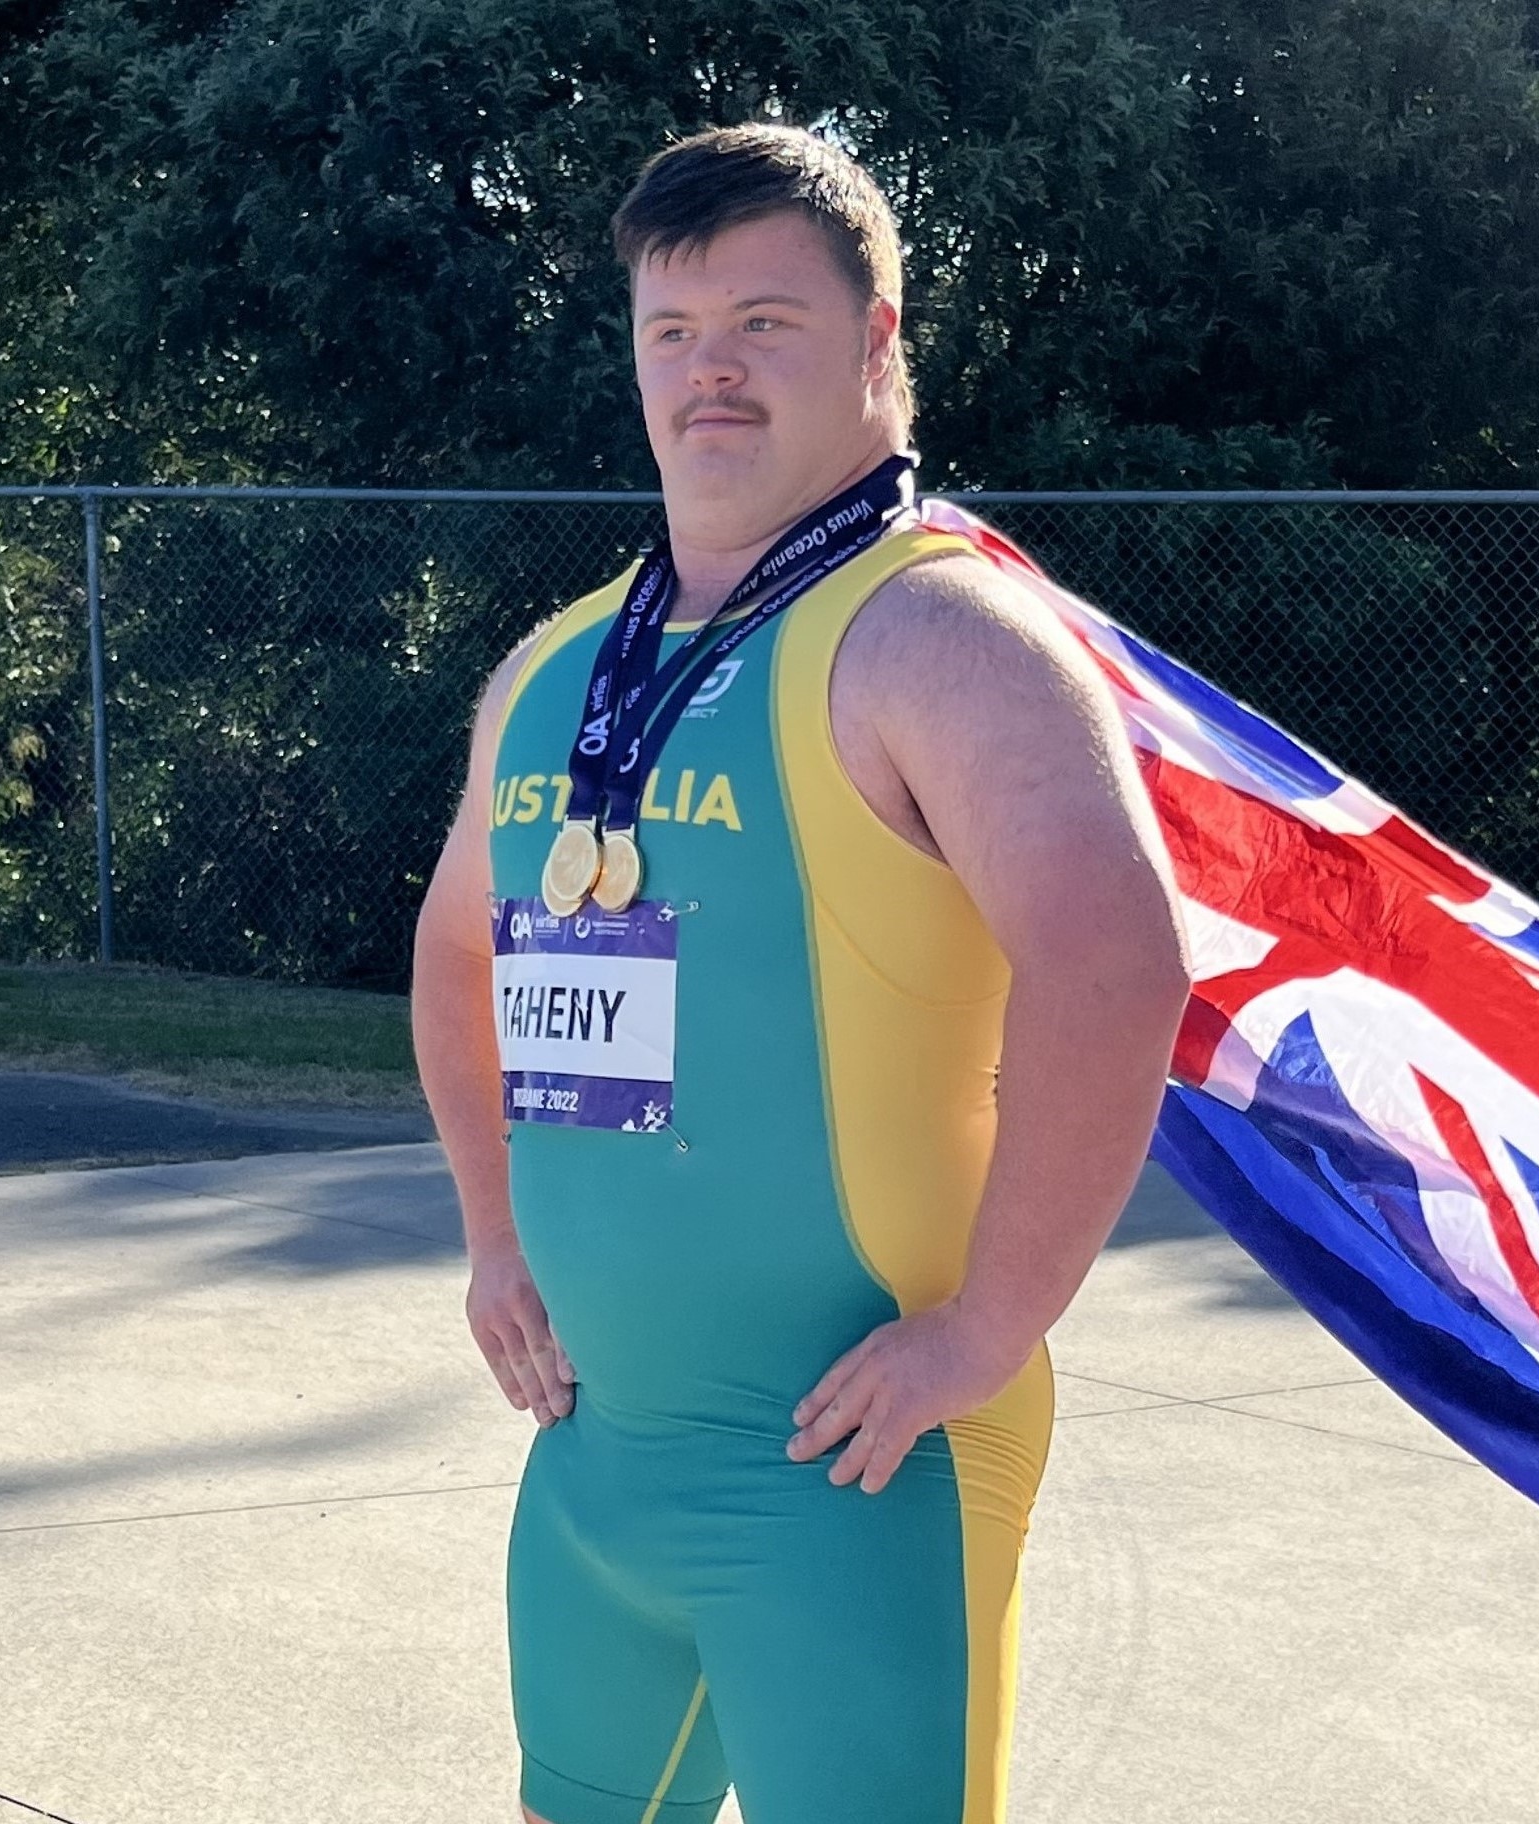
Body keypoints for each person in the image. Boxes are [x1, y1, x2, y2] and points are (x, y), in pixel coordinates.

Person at [409, 123, 1191, 1824]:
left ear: (877, 339)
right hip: (595, 1468)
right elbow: (460, 947)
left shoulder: (937, 636)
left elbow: (1117, 963)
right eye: (672, 333)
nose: (711, 373)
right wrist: (492, 1240)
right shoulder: (554, 666)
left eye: (765, 322)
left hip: (855, 1471)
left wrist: (990, 1326)